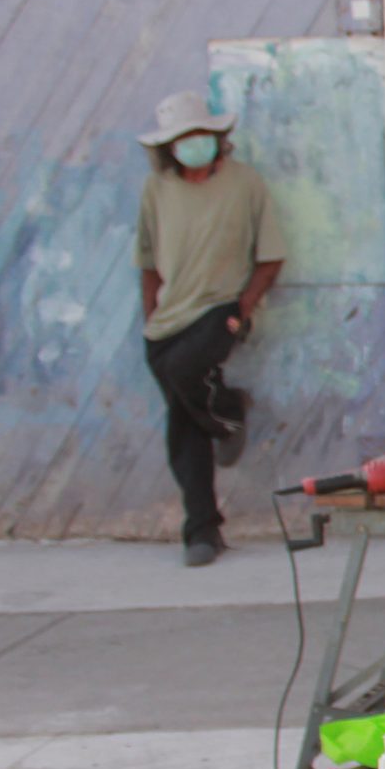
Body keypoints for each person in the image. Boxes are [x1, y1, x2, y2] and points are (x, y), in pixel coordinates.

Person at [134, 91, 284, 568]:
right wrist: (150, 316)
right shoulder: (157, 190)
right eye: (183, 139)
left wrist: (243, 306)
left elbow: (270, 255)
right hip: (169, 319)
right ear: (168, 147)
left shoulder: (245, 184)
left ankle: (225, 409)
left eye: (201, 136)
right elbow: (147, 261)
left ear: (218, 139)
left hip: (221, 310)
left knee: (185, 371)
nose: (193, 145)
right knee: (181, 426)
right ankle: (201, 530)